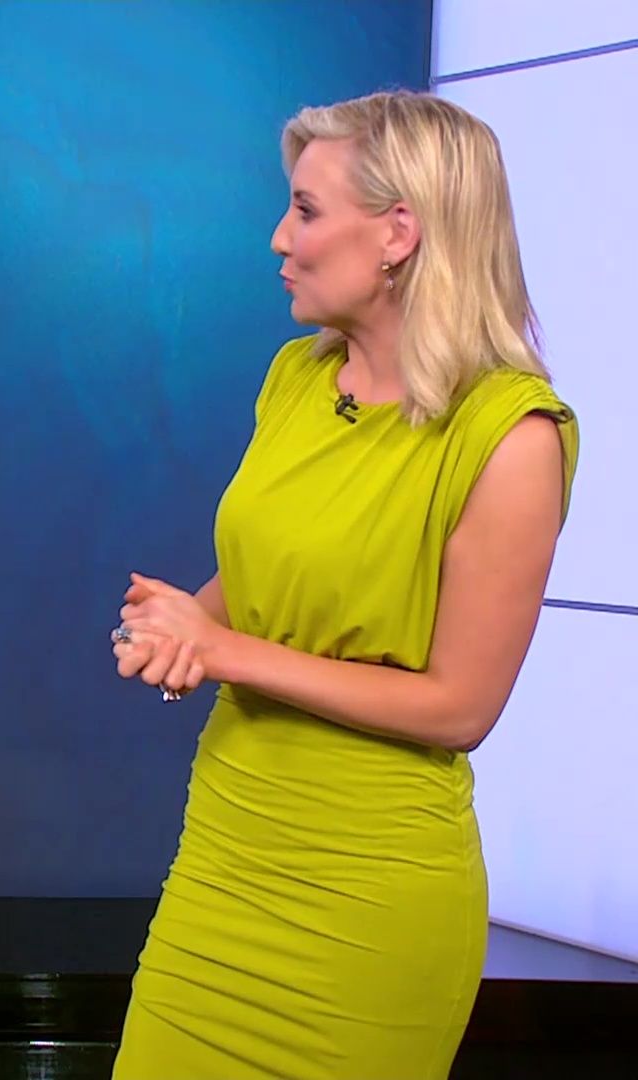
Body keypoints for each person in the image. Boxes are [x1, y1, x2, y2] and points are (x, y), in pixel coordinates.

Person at [108, 90, 579, 1080]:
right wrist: (188, 621)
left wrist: (227, 650)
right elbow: (278, 573)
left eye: (306, 210)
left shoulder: (512, 438)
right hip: (226, 860)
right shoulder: (296, 378)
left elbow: (460, 707)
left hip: (367, 905)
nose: (280, 239)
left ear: (398, 232)